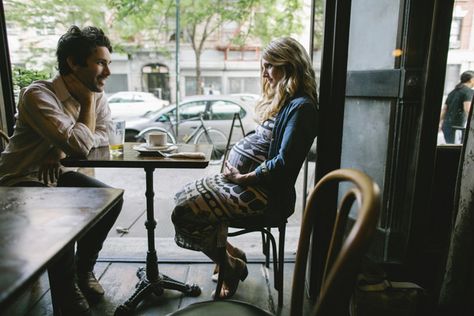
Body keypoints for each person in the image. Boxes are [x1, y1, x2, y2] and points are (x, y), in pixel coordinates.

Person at [171, 37, 319, 298]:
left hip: (266, 195)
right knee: (182, 196)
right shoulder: (286, 101)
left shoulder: (302, 108)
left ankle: (230, 266)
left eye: (270, 66)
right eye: (263, 66)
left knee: (184, 212)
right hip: (248, 184)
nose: (264, 73)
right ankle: (230, 253)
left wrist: (243, 177)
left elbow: (284, 163)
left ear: (290, 66)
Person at [0, 26, 122, 315]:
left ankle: (83, 271)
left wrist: (59, 149)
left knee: (109, 200)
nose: (107, 72)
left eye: (108, 63)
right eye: (100, 63)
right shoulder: (38, 95)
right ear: (73, 62)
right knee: (59, 220)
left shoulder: (96, 92)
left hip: (56, 175)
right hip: (18, 179)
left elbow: (101, 134)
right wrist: (87, 107)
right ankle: (66, 297)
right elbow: (82, 144)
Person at [439, 70, 474, 144]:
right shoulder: (469, 92)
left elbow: (444, 110)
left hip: (447, 126)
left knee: (451, 148)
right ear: (471, 79)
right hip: (457, 127)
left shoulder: (453, 92)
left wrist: (439, 123)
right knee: (457, 150)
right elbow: (467, 109)